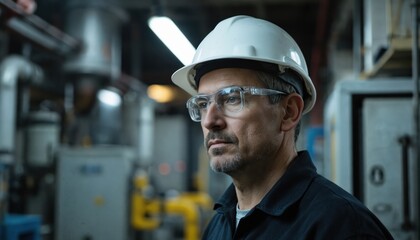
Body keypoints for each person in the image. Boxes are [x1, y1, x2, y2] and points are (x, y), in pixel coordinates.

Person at [172, 15, 393, 240]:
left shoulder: (341, 228)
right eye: (202, 104)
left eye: (232, 99)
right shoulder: (220, 224)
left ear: (289, 112)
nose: (210, 121)